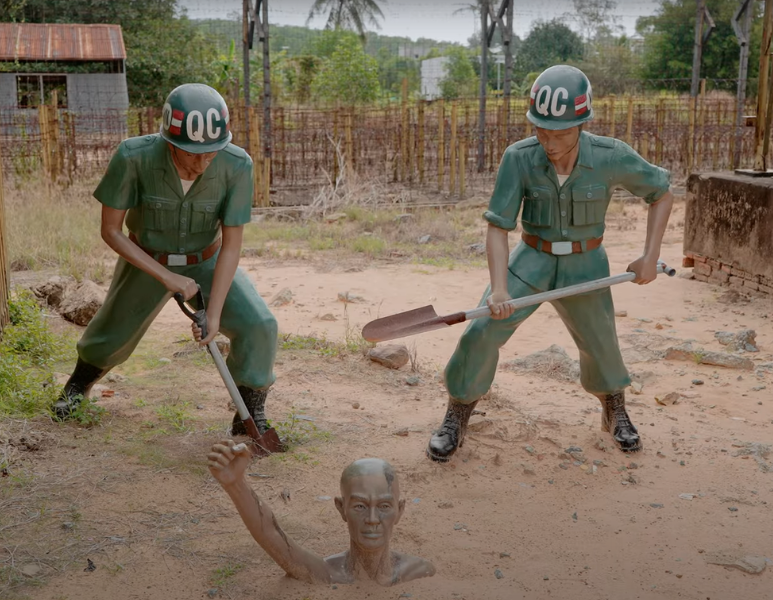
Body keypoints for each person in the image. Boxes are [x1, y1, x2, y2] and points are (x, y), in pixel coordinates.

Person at [427, 65, 673, 462]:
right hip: (532, 258)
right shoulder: (519, 158)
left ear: (582, 124)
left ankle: (614, 410)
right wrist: (501, 288)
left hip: (586, 262)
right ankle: (458, 410)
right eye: (541, 131)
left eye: (559, 133)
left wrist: (650, 256)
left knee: (601, 340)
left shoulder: (612, 156)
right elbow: (497, 227)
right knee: (482, 330)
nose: (549, 141)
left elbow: (661, 193)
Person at [53, 83, 277, 436]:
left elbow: (232, 244)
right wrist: (168, 277)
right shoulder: (133, 157)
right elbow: (111, 231)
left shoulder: (237, 165)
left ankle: (250, 411)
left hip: (207, 258)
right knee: (112, 332)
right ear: (170, 142)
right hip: (146, 257)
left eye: (212, 152)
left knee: (259, 324)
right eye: (192, 154)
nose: (203, 162)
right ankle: (77, 388)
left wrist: (214, 312)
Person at [207, 440, 436, 585]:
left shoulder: (419, 572)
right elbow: (272, 534)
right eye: (360, 506)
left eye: (384, 507)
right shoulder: (326, 574)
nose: (373, 520)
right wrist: (235, 484)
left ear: (400, 510)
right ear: (341, 508)